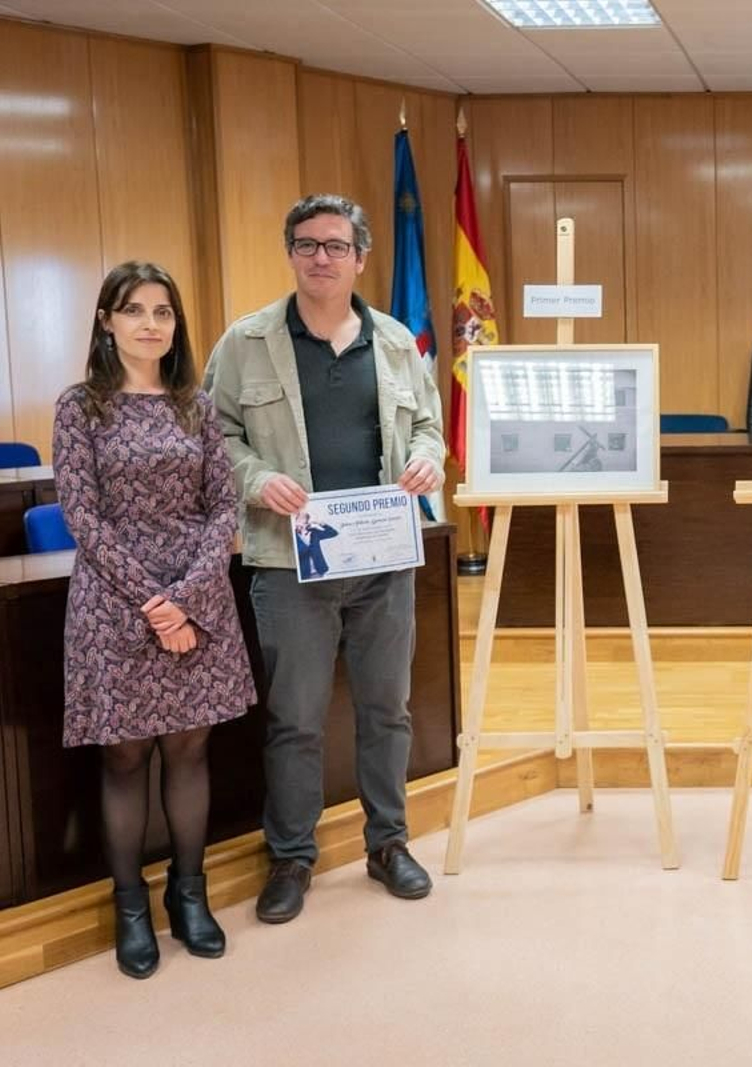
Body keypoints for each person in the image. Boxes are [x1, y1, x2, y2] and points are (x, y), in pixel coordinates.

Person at [204, 194, 445, 925]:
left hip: (381, 561)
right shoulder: (246, 342)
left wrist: (430, 460)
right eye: (306, 244)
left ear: (360, 258)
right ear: (291, 254)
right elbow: (214, 435)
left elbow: (431, 427)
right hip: (290, 564)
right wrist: (254, 477)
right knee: (296, 718)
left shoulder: (400, 343)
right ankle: (292, 856)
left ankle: (388, 842)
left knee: (387, 712)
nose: (321, 258)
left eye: (336, 246)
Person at [53, 261, 256, 978]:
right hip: (116, 604)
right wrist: (153, 603)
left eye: (163, 311)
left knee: (190, 750)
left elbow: (221, 509)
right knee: (126, 754)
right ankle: (130, 903)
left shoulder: (196, 406)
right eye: (133, 309)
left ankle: (189, 893)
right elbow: (83, 515)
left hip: (197, 600)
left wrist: (190, 595)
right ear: (107, 321)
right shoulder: (81, 407)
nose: (150, 323)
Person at [293, 513, 339, 580]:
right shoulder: (294, 536)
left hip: (319, 570)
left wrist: (321, 524)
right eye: (298, 521)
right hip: (304, 573)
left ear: (307, 523)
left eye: (303, 522)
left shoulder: (313, 532)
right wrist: (305, 539)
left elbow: (333, 533)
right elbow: (300, 552)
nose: (300, 525)